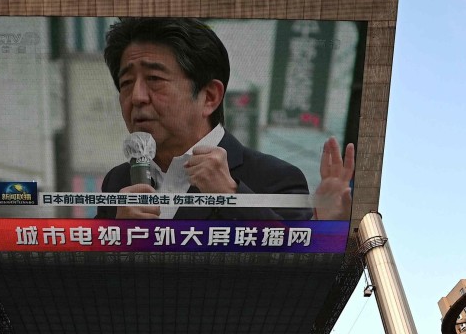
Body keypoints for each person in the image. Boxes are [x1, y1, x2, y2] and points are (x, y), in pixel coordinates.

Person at [96, 17, 354, 221]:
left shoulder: (275, 178)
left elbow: (296, 271)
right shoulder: (118, 182)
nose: (137, 97)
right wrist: (115, 238)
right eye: (126, 83)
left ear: (209, 96)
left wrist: (232, 197)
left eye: (155, 79)